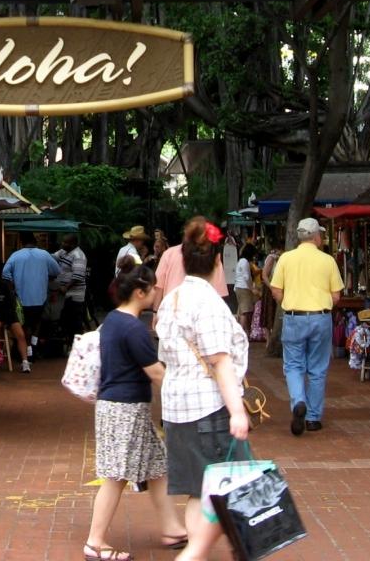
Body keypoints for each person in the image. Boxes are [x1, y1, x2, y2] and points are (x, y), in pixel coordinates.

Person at [155, 217, 250, 561]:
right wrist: (237, 411)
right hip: (208, 407)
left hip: (176, 408)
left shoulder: (171, 300)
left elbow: (165, 355)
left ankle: (198, 552)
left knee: (199, 489)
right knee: (228, 485)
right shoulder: (209, 304)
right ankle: (194, 554)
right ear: (217, 262)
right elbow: (220, 361)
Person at [84, 261, 186, 561]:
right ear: (140, 292)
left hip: (120, 407)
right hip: (125, 409)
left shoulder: (113, 320)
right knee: (116, 475)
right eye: (152, 288)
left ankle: (172, 528)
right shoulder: (134, 328)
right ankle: (95, 542)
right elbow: (156, 373)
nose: (156, 292)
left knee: (157, 466)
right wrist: (186, 395)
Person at [269, 217, 343, 435]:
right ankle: (313, 417)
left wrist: (287, 302)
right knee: (317, 369)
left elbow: (276, 289)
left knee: (293, 365)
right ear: (316, 236)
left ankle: (299, 401)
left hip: (294, 316)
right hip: (320, 317)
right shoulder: (328, 260)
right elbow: (336, 295)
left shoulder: (286, 258)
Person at [1, 235, 60, 368]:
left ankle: (28, 352)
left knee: (24, 326)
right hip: (40, 297)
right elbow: (56, 270)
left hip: (21, 298)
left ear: (21, 243)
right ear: (36, 242)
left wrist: (12, 286)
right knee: (36, 325)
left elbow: (5, 274)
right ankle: (32, 348)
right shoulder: (44, 255)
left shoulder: (16, 255)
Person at [153, 222, 230, 308]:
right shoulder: (212, 256)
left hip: (172, 306)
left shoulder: (169, 253)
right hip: (204, 308)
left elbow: (159, 286)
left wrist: (156, 310)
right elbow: (219, 292)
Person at [54, 234, 89, 344]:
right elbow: (52, 257)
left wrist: (66, 287)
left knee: (75, 322)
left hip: (74, 295)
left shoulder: (79, 256)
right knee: (65, 320)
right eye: (63, 242)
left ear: (73, 244)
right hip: (65, 295)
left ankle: (77, 345)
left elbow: (78, 276)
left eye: (66, 242)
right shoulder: (63, 252)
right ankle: (68, 342)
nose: (63, 244)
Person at [259, 238, 284, 334]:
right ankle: (269, 338)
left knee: (272, 314)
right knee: (268, 314)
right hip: (270, 287)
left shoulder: (278, 258)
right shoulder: (272, 258)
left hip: (274, 286)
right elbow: (264, 275)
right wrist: (271, 287)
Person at [233, 244, 258, 332]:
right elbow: (247, 277)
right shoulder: (245, 262)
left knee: (241, 310)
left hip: (238, 287)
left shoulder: (240, 261)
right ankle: (242, 331)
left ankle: (242, 331)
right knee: (245, 311)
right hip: (244, 288)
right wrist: (252, 288)